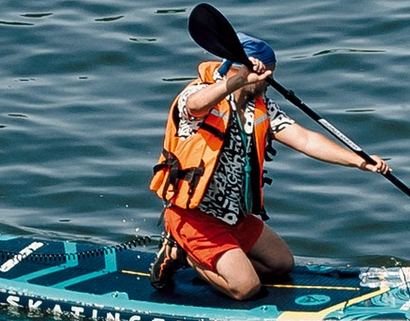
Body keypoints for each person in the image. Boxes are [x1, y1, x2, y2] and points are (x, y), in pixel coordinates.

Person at [150, 37, 387, 300]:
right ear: (238, 69)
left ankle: (214, 258)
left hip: (233, 214)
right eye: (266, 73)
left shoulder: (261, 108)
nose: (270, 80)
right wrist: (239, 80)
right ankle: (180, 252)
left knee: (281, 264)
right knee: (246, 288)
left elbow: (305, 139)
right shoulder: (200, 94)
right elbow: (194, 106)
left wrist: (358, 160)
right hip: (193, 216)